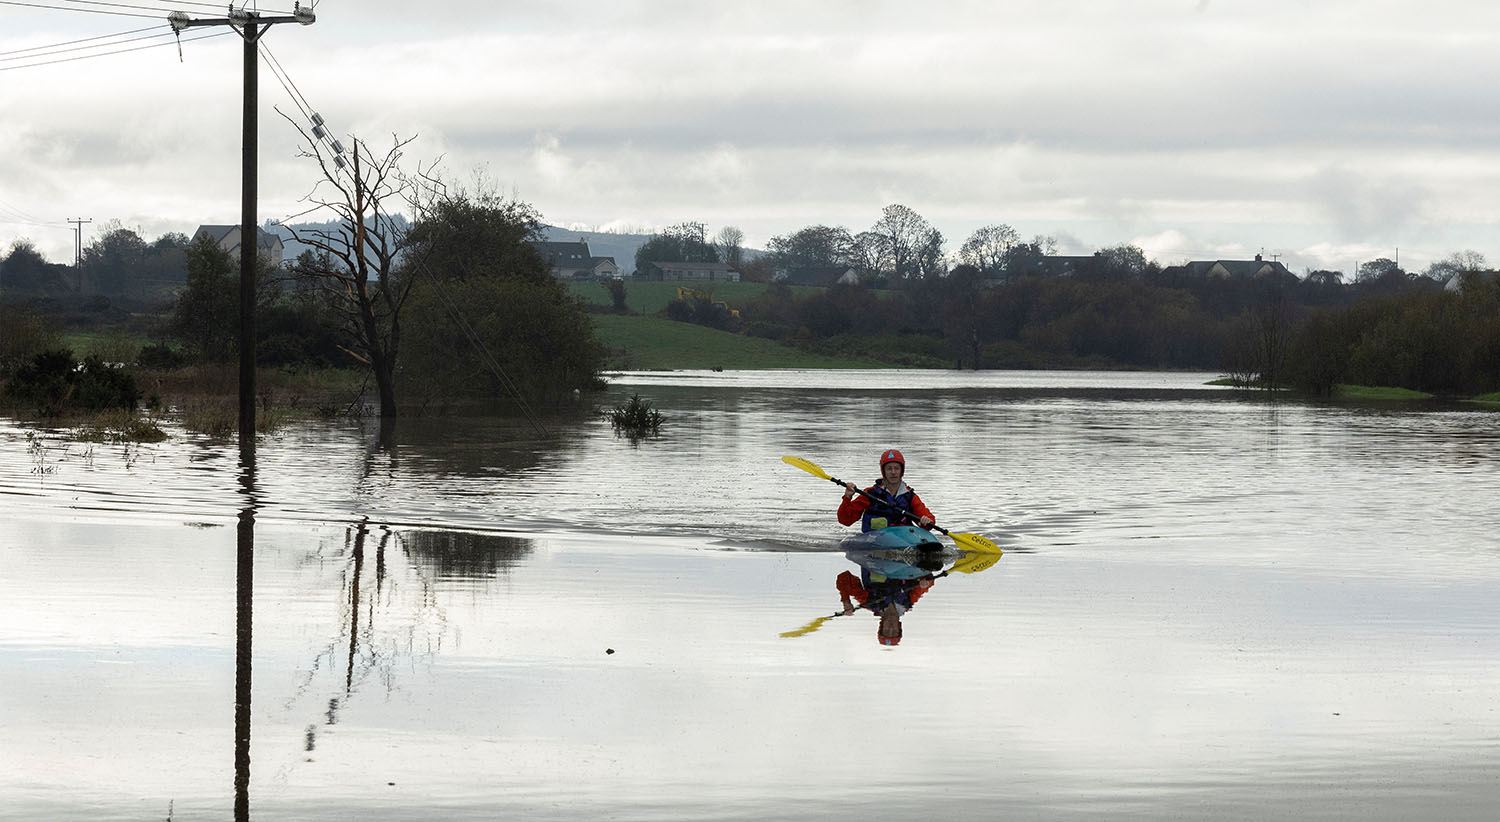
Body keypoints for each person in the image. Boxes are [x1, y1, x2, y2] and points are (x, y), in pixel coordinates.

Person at [836, 448, 936, 532]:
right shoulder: (870, 494)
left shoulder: (910, 496)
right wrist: (847, 497)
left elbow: (929, 520)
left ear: (901, 471)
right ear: (883, 471)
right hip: (876, 539)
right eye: (889, 468)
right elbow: (845, 520)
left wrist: (926, 521)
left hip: (903, 537)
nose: (893, 472)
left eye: (896, 468)